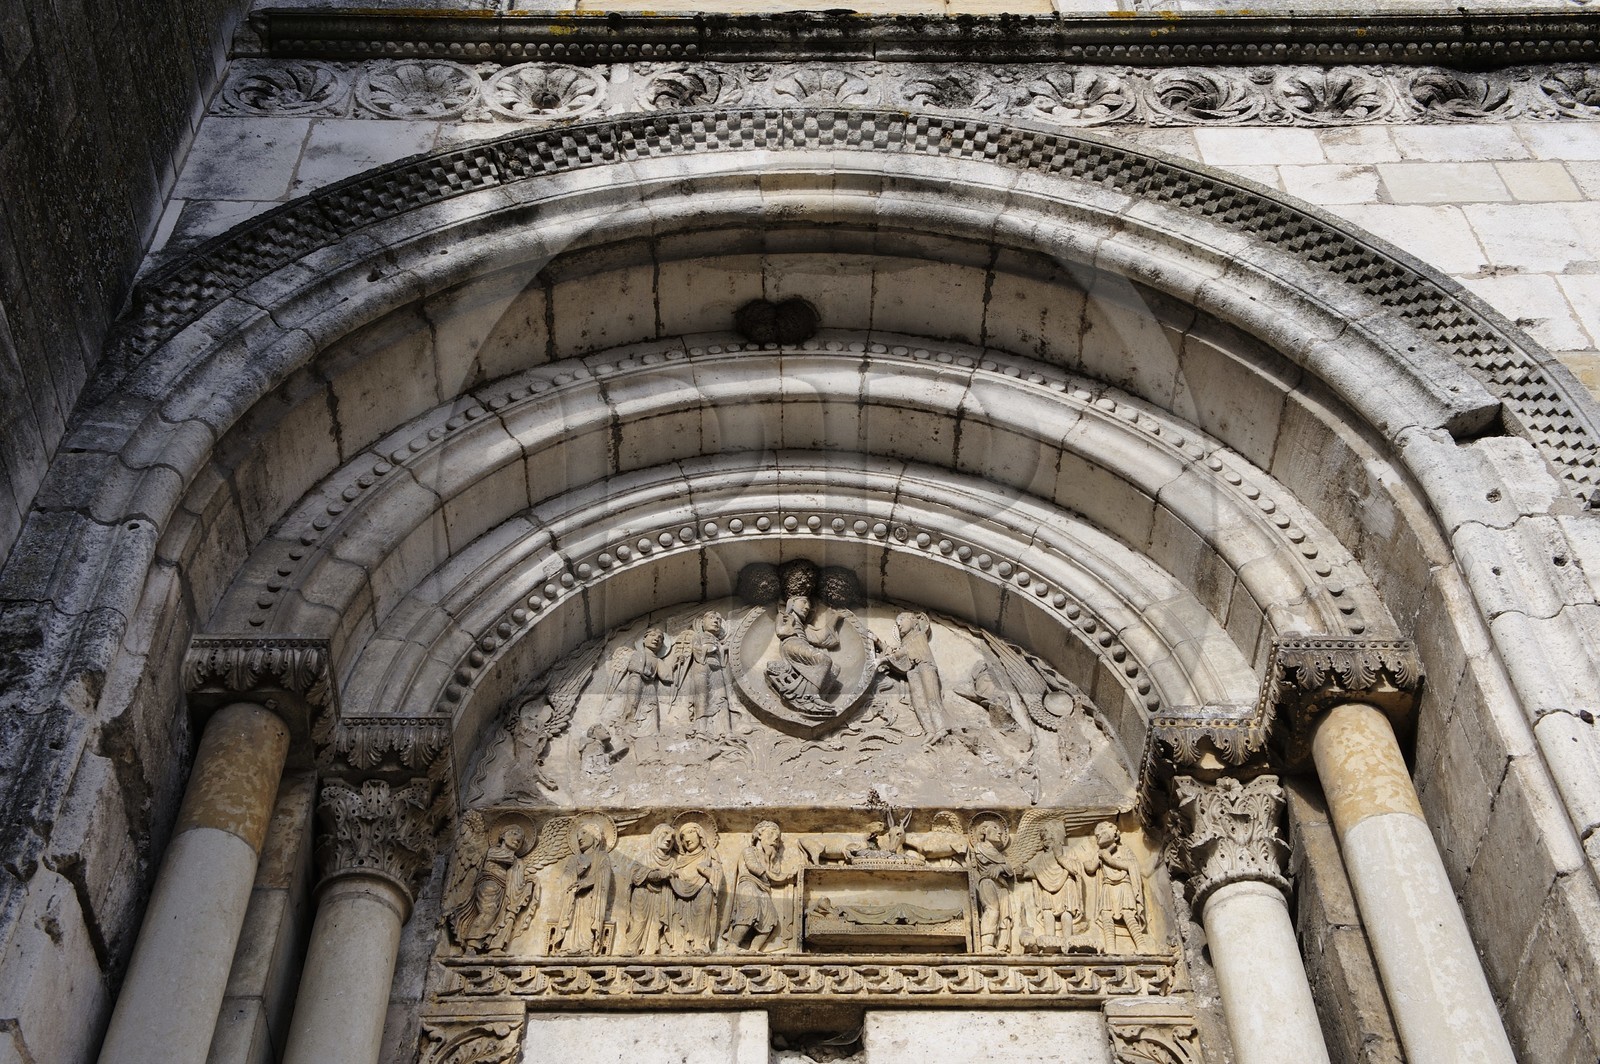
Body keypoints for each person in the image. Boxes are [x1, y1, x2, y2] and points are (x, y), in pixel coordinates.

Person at [449, 824, 538, 953]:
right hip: (489, 884)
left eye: (521, 839)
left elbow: (517, 879)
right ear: (502, 836)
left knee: (504, 916)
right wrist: (516, 861)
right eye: (514, 833)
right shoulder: (493, 851)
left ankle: (494, 946)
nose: (518, 839)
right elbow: (508, 858)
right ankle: (471, 944)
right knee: (489, 911)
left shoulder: (517, 861)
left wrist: (528, 883)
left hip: (504, 890)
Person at [726, 820, 795, 952]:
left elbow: (774, 876)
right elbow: (754, 867)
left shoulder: (770, 859)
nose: (775, 838)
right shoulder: (749, 851)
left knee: (770, 919)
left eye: (777, 837)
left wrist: (787, 876)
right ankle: (733, 945)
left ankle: (754, 949)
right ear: (759, 835)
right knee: (748, 914)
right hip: (749, 886)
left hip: (763, 890)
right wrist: (776, 875)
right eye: (771, 833)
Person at [554, 823, 614, 955]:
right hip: (573, 900)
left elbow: (604, 874)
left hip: (591, 899)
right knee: (571, 924)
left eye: (584, 833)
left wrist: (586, 882)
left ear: (595, 836)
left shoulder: (601, 856)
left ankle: (586, 948)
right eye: (577, 835)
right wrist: (578, 871)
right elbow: (566, 877)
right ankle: (567, 947)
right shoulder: (574, 859)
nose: (579, 838)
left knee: (587, 922)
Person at [669, 822, 724, 953]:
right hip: (682, 895)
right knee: (677, 914)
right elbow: (677, 876)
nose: (687, 839)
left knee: (704, 897)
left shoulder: (710, 854)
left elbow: (718, 875)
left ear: (700, 834)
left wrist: (704, 870)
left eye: (690, 833)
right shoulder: (681, 859)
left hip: (703, 894)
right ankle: (682, 946)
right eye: (682, 837)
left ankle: (700, 944)